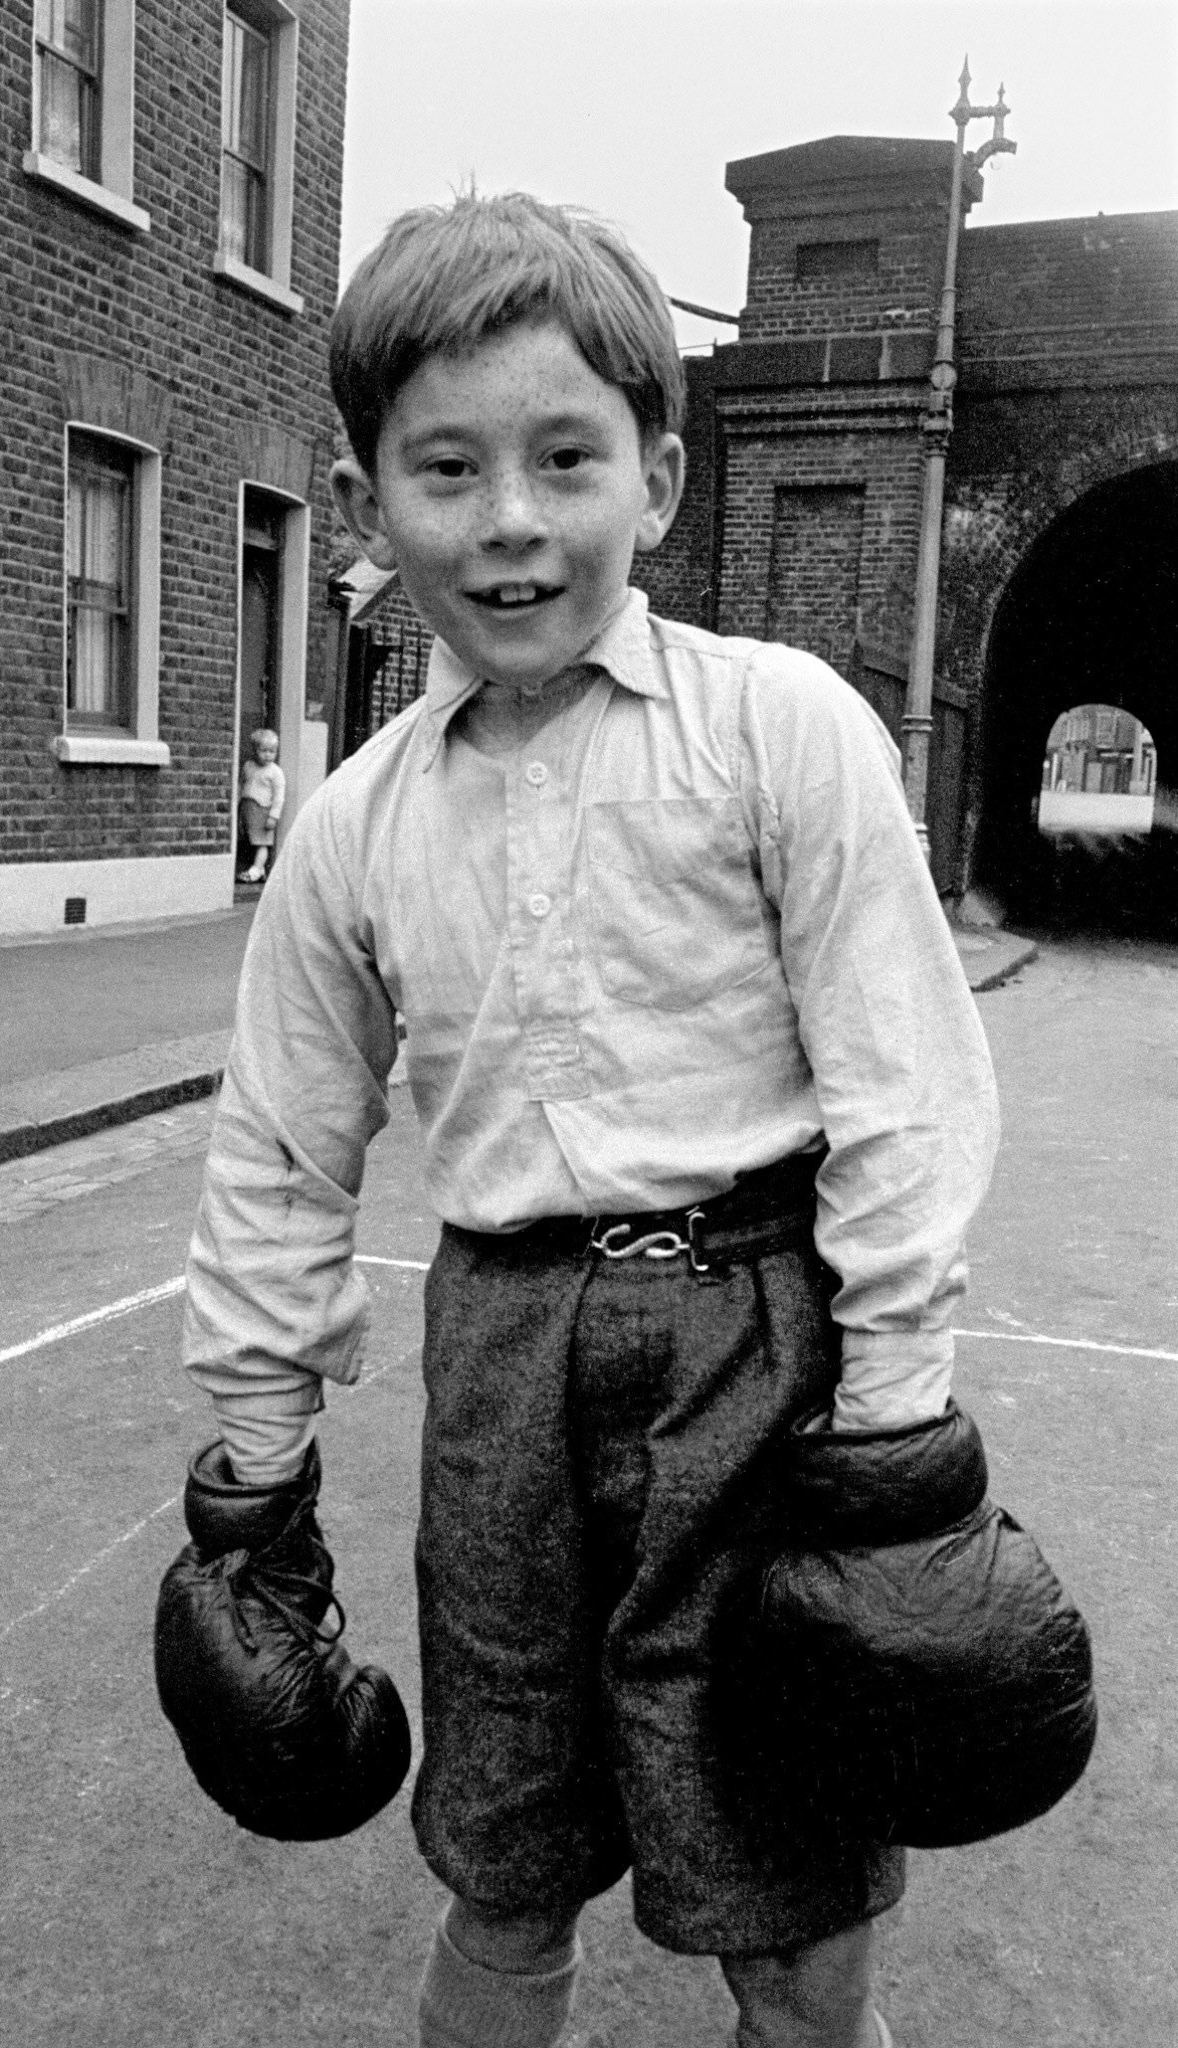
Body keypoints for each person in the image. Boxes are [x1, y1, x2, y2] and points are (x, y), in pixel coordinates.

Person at [180, 192, 1000, 2048]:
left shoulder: (780, 730)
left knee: (793, 1896)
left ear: (662, 477)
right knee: (505, 1860)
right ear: (371, 493)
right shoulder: (354, 827)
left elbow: (902, 1082)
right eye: (447, 468)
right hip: (503, 1355)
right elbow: (281, 1143)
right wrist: (252, 1470)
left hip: (760, 1346)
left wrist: (895, 1420)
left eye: (566, 457)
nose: (513, 522)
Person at [237, 726, 285, 882]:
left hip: (263, 811)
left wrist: (273, 816)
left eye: (272, 751)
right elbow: (242, 784)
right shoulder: (249, 766)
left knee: (262, 842)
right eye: (264, 751)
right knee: (250, 841)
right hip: (247, 808)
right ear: (255, 750)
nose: (268, 755)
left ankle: (256, 869)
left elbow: (279, 795)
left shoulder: (275, 772)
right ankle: (259, 868)